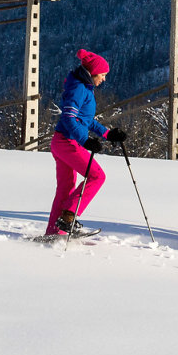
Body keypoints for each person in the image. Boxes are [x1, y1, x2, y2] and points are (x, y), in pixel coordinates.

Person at [45, 48, 126, 237]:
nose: (104, 79)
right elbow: (69, 117)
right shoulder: (79, 89)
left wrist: (107, 134)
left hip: (60, 142)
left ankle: (54, 233)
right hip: (68, 142)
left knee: (65, 189)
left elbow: (85, 120)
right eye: (103, 75)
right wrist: (85, 140)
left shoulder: (83, 87)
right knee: (97, 176)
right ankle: (68, 218)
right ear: (93, 72)